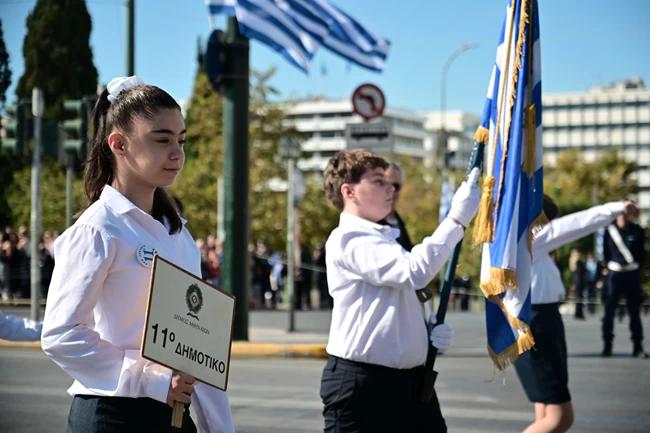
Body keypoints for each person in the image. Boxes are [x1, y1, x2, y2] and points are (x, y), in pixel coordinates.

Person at [40, 76, 234, 433]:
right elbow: (61, 334)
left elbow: (197, 349)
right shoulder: (98, 229)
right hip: (112, 415)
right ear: (119, 144)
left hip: (173, 416)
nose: (177, 153)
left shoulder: (180, 235)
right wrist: (150, 381)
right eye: (162, 140)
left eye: (181, 140)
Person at [319, 149, 480, 433]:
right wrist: (457, 219)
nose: (390, 187)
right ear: (349, 192)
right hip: (363, 386)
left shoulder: (384, 237)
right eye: (378, 181)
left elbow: (403, 295)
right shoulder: (349, 238)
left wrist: (425, 329)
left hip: (410, 382)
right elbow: (414, 271)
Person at [514, 195, 639, 433]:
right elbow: (576, 224)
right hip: (537, 323)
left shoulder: (512, 241)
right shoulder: (526, 240)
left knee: (545, 409)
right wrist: (614, 209)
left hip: (534, 319)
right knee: (561, 417)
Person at [602, 210, 648, 358]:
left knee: (634, 312)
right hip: (615, 272)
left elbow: (642, 253)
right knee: (609, 311)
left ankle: (638, 346)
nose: (622, 216)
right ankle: (607, 345)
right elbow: (605, 252)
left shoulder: (637, 230)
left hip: (631, 273)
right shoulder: (609, 231)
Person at [569, 249, 586, 320]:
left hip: (577, 282)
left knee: (578, 298)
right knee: (579, 298)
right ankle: (579, 313)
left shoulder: (574, 264)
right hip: (579, 282)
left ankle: (578, 313)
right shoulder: (578, 263)